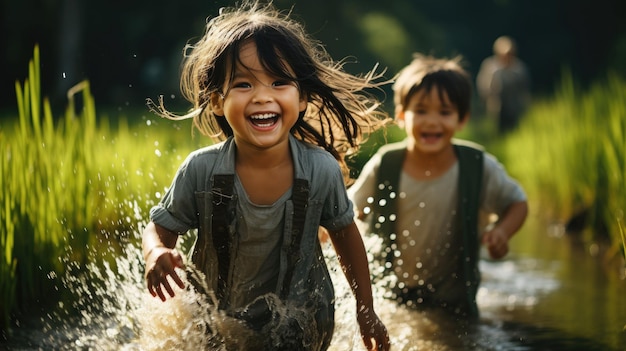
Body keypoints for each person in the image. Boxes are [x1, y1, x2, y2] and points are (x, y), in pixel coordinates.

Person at [141, 1, 391, 350]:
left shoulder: (321, 170)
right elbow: (160, 228)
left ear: (302, 97)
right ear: (216, 101)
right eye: (243, 84)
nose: (262, 96)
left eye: (278, 82)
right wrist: (155, 253)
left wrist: (367, 310)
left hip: (304, 324)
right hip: (216, 324)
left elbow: (345, 235)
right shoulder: (201, 170)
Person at [348, 53, 528, 319]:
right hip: (392, 294)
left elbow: (517, 203)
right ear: (401, 115)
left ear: (462, 118)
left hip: (455, 300)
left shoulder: (477, 165)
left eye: (444, 112)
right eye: (420, 111)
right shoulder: (386, 164)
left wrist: (501, 232)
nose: (432, 121)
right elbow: (348, 211)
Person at [476, 36, 531, 133]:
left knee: (514, 129)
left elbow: (524, 88)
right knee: (497, 129)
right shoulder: (490, 67)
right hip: (496, 106)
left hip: (514, 106)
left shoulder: (519, 68)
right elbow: (483, 85)